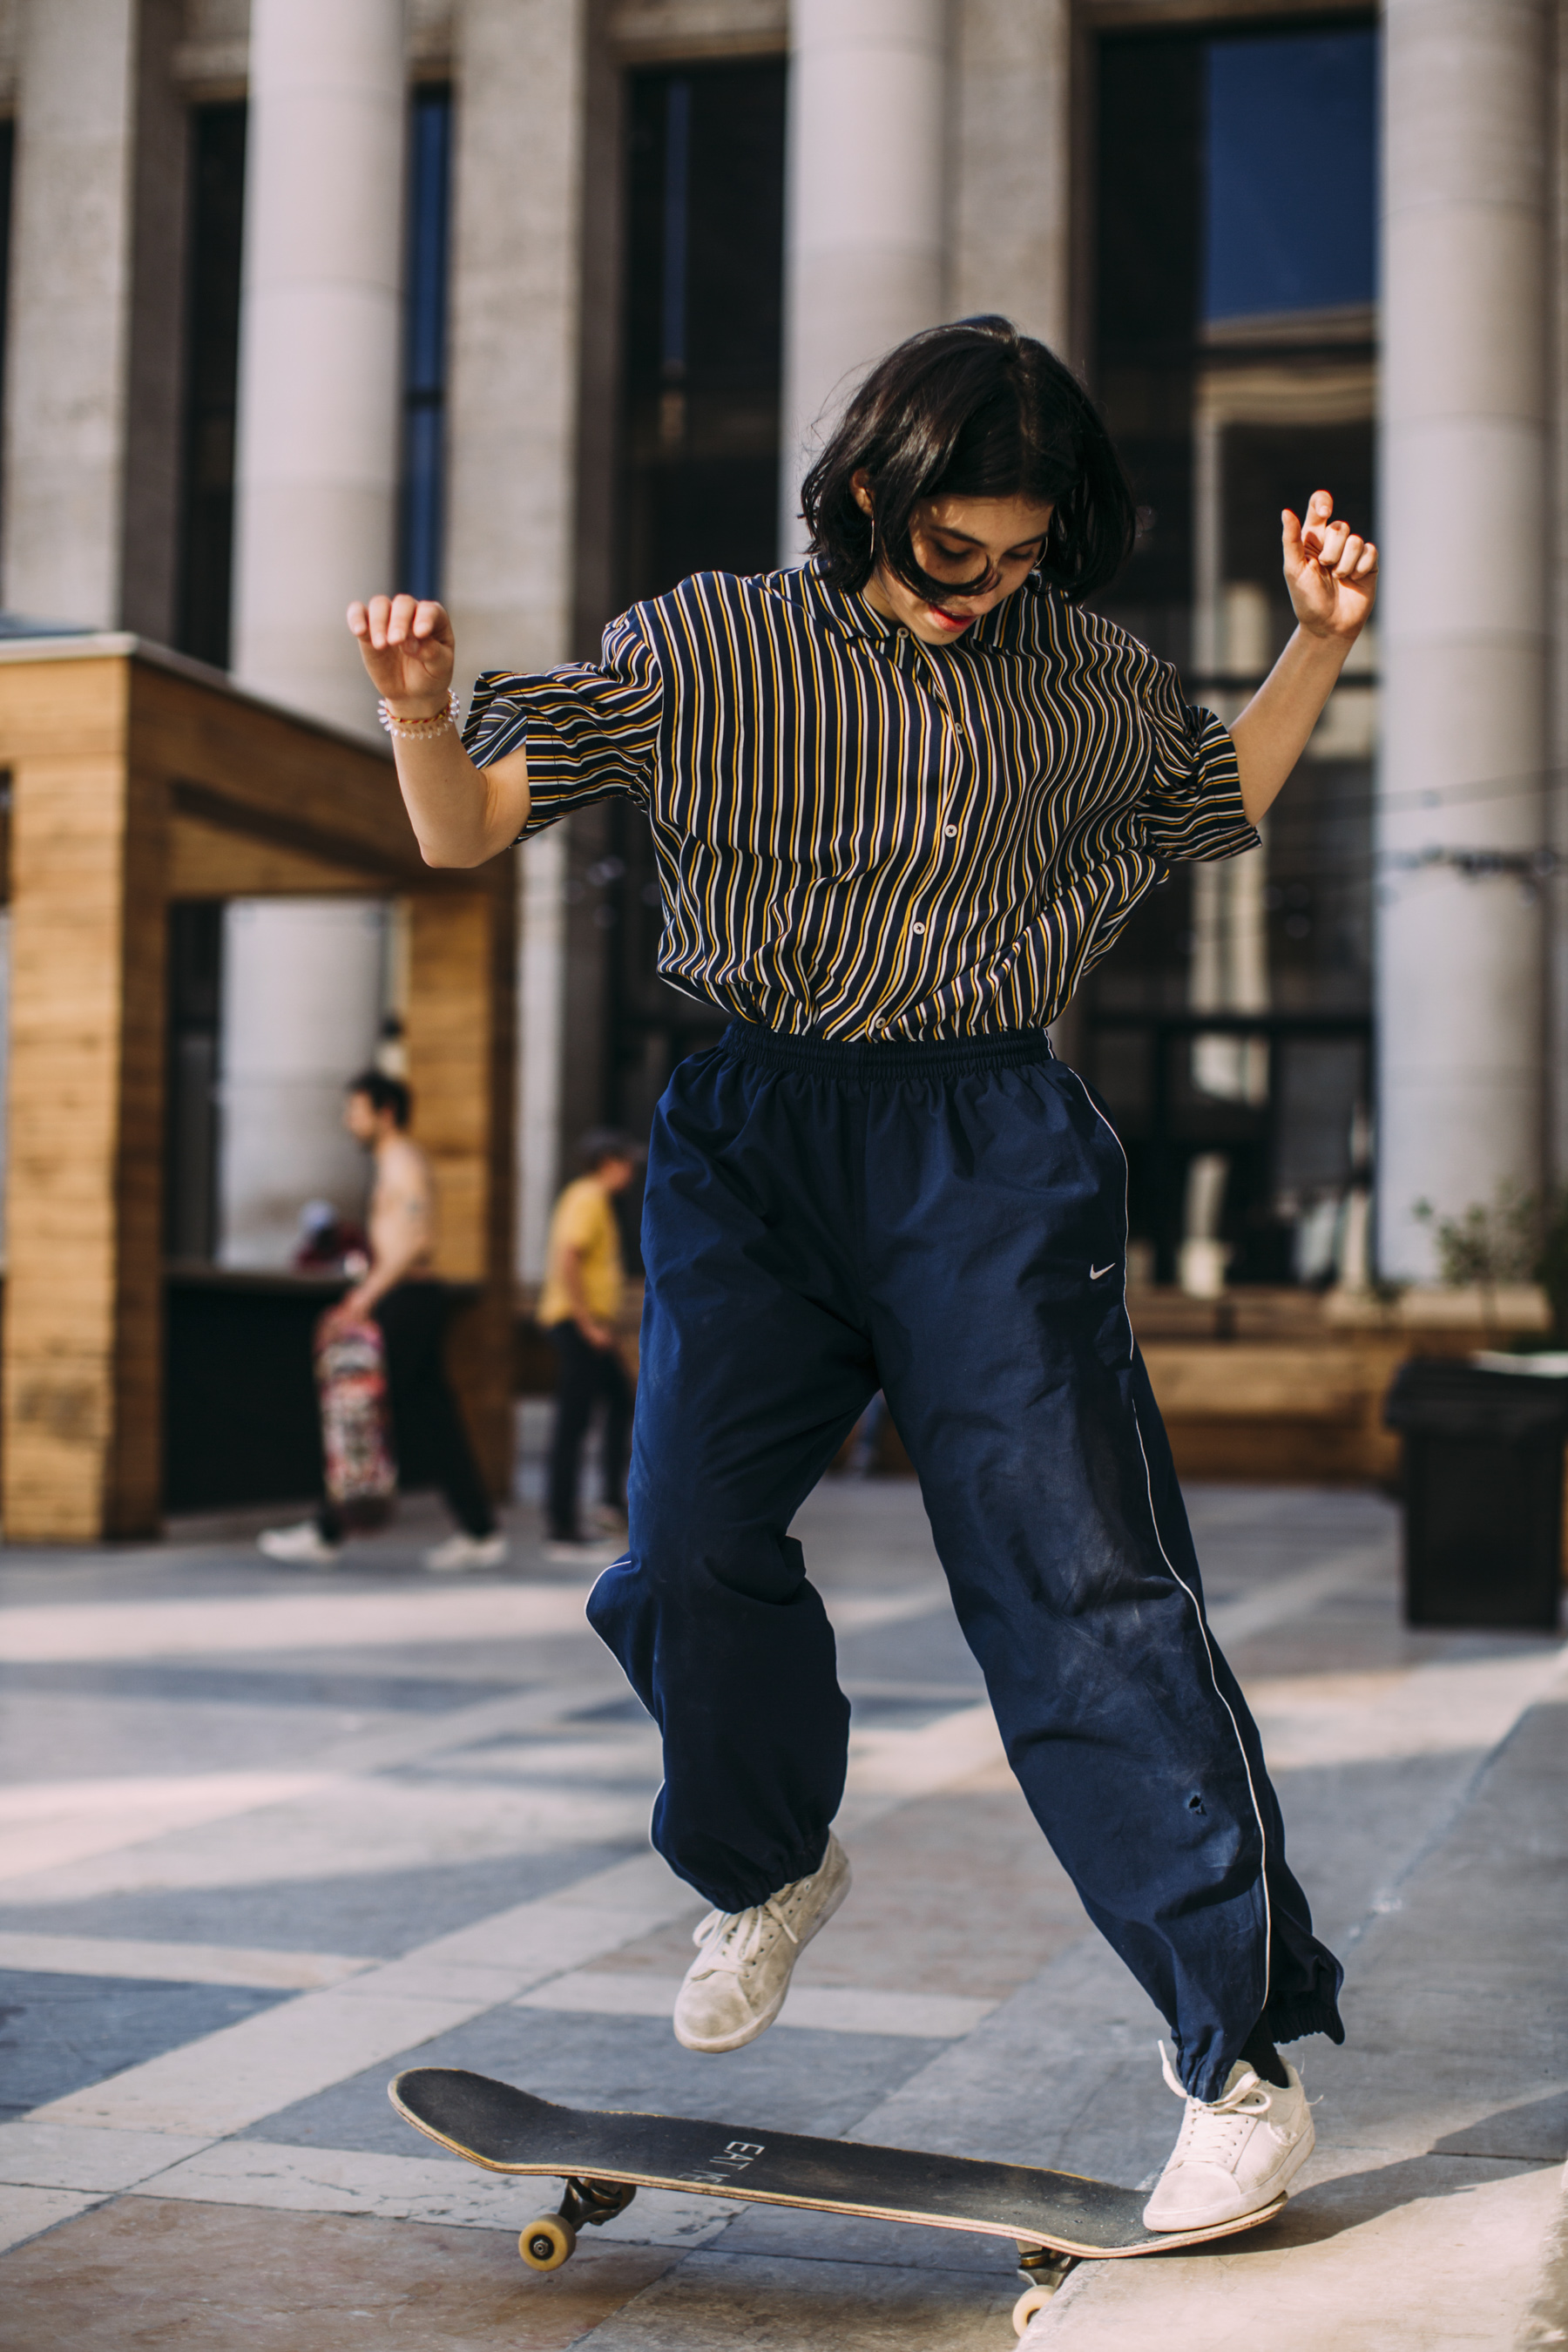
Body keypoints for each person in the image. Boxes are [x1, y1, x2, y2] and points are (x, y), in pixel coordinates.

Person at [348, 317, 1378, 2234]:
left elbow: (1207, 806)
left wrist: (1316, 641)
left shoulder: (1091, 677)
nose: (985, 595)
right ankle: (763, 1861)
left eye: (1023, 558)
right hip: (756, 1132)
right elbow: (470, 822)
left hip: (985, 1140)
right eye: (947, 557)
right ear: (859, 503)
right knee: (677, 1547)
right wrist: (419, 708)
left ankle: (1233, 2058)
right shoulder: (710, 644)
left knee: (1076, 1587)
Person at [260, 1069, 507, 1575]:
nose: (349, 1121)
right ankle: (480, 1530)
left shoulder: (401, 1162)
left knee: (357, 1407)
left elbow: (415, 1237)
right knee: (434, 1417)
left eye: (356, 1110)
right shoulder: (394, 1162)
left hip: (407, 1297)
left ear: (384, 1112)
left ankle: (327, 1531)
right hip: (408, 1295)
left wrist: (364, 1297)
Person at [538, 1130, 639, 1561]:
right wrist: (586, 1321)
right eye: (628, 1165)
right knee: (572, 1424)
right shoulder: (587, 1197)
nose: (631, 1175)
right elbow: (569, 1258)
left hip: (593, 1326)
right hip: (578, 1325)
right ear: (609, 1163)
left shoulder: (594, 1199)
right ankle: (561, 1527)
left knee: (621, 1402)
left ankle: (610, 1504)